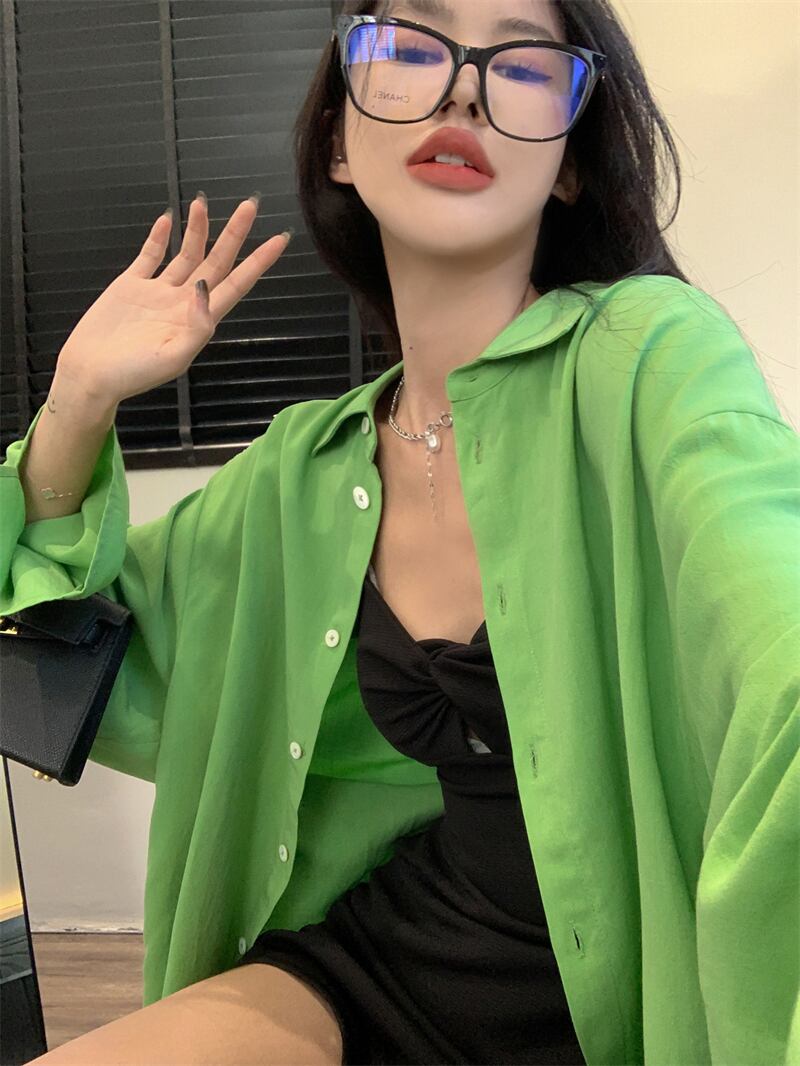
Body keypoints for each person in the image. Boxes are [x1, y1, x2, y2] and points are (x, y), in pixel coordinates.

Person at [3, 1, 798, 1064]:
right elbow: (71, 645)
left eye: (522, 62)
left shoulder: (646, 356)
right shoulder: (300, 467)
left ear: (568, 163)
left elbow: (779, 638)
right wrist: (78, 401)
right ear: (338, 138)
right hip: (377, 959)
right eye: (411, 45)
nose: (463, 85)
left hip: (631, 995)